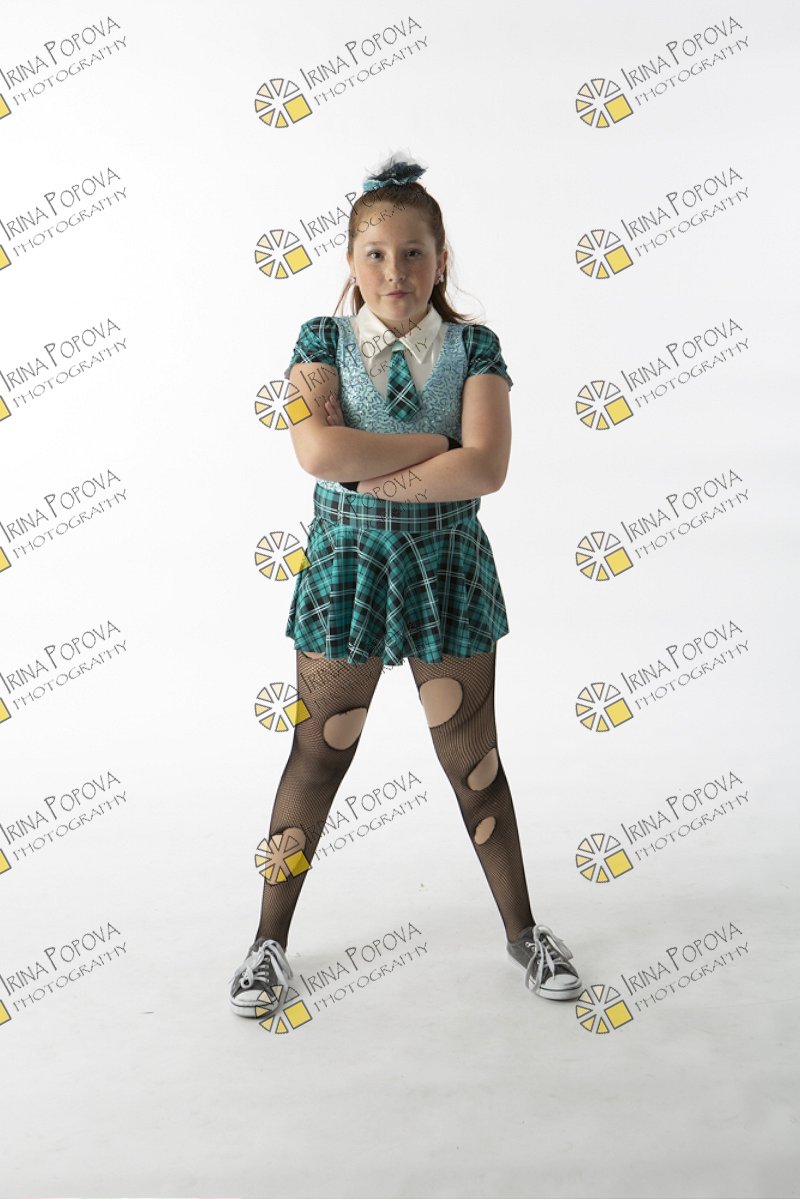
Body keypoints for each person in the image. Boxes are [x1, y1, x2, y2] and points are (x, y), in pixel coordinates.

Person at [229, 153, 583, 1019]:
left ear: (442, 259)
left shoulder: (475, 347)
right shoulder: (319, 342)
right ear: (353, 263)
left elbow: (487, 468)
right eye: (377, 254)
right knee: (316, 754)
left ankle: (525, 931)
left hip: (447, 570)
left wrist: (374, 465)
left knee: (475, 762)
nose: (396, 271)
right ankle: (267, 943)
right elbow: (318, 451)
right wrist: (435, 448)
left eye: (414, 253)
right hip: (345, 570)